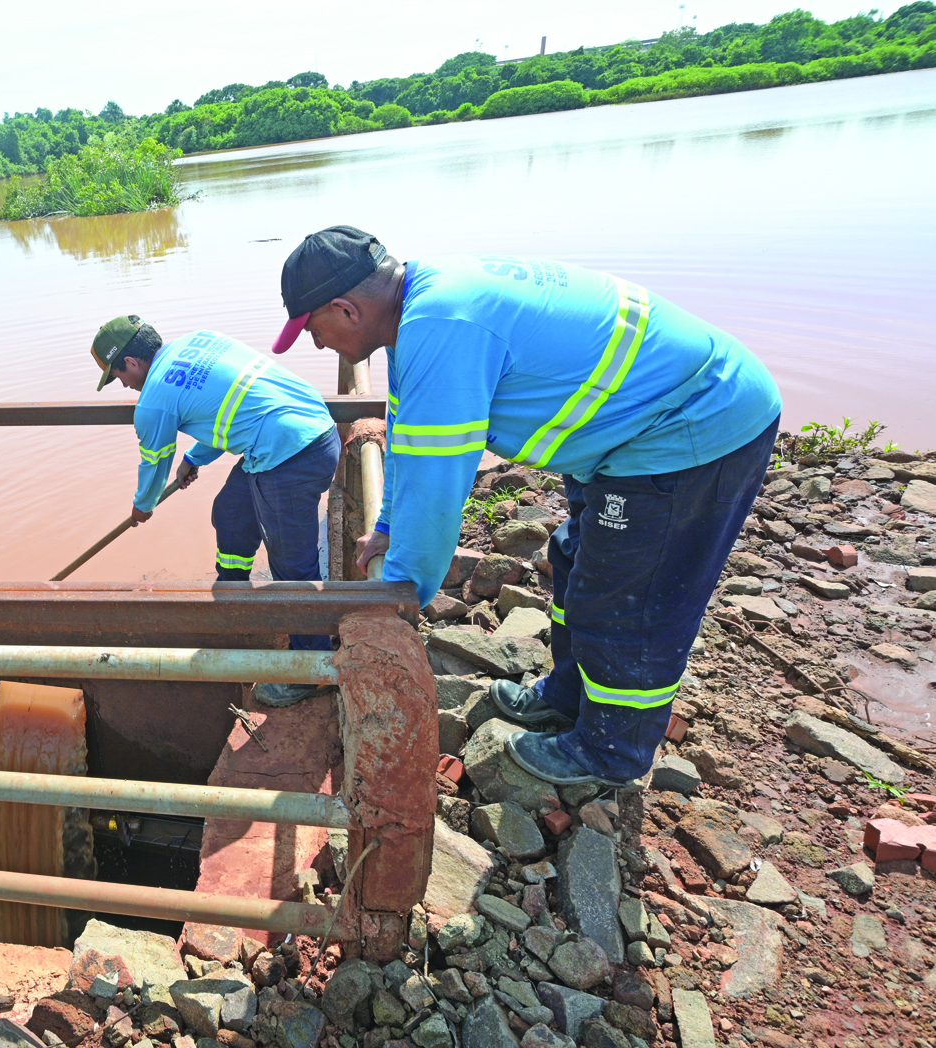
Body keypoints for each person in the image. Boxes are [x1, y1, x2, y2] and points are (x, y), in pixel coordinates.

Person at [271, 227, 781, 788]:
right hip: (626, 433)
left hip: (691, 427)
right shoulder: (420, 309)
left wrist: (397, 600)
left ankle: (610, 751)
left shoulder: (443, 326)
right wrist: (389, 523)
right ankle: (568, 696)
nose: (318, 347)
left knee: (628, 599)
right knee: (575, 558)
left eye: (311, 331)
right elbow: (409, 434)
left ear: (346, 309)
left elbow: (439, 487)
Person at [90, 314, 341, 707]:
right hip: (305, 428)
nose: (123, 383)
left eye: (118, 375)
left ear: (132, 363)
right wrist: (195, 457)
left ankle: (313, 668)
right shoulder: (200, 340)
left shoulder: (152, 400)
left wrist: (143, 507)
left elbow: (154, 464)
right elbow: (227, 410)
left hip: (289, 455)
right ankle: (234, 592)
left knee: (292, 565)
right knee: (231, 513)